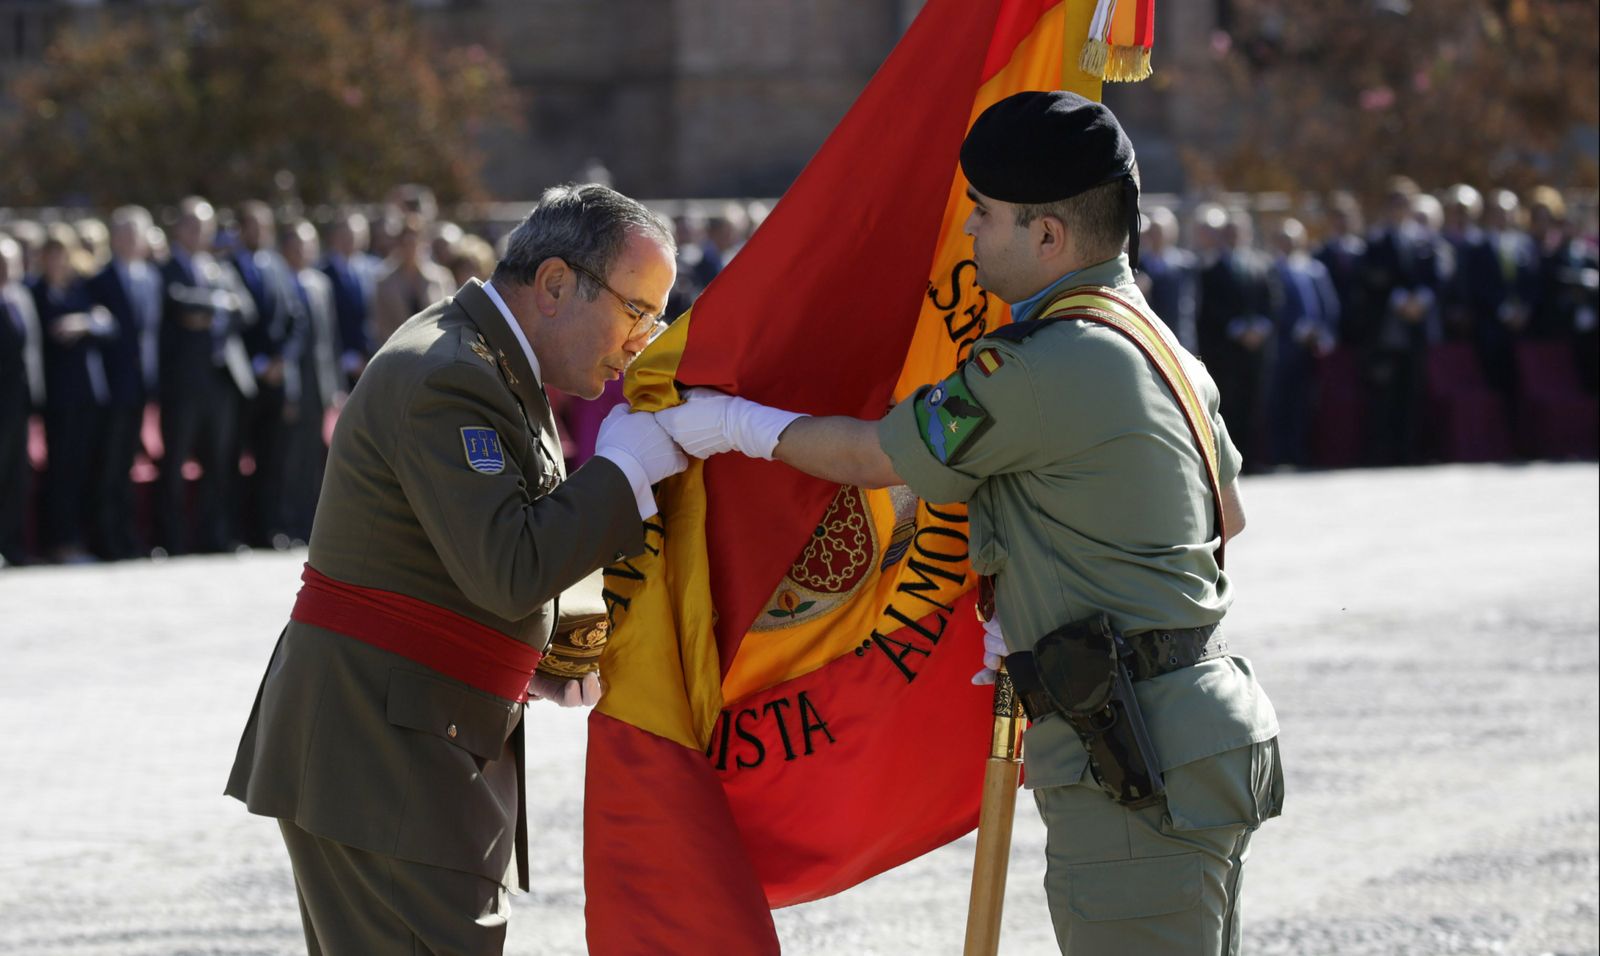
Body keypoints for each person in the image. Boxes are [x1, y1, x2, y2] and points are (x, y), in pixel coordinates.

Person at [657, 91, 1282, 956]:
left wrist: (736, 426)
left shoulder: (1045, 363)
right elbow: (1229, 517)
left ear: (1049, 238)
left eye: (984, 216)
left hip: (1133, 750)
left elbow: (876, 456)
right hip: (1190, 731)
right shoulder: (1158, 342)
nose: (968, 235)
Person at [225, 183, 688, 955]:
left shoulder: (488, 360)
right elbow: (507, 567)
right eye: (636, 310)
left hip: (403, 737)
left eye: (655, 318)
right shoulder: (450, 371)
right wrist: (625, 470)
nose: (643, 339)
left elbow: (444, 560)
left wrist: (531, 656)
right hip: (383, 752)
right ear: (554, 284)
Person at [157, 196, 257, 555]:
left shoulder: (221, 267)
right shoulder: (166, 266)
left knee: (220, 461)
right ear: (178, 228)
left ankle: (215, 535)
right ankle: (172, 538)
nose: (200, 232)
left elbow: (245, 308)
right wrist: (217, 303)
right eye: (193, 225)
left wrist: (212, 308)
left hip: (220, 380)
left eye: (206, 225)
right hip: (183, 382)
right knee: (176, 462)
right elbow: (177, 302)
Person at [31, 231, 117, 563]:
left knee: (84, 469)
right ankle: (60, 542)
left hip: (88, 395)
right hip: (57, 397)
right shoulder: (36, 292)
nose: (57, 262)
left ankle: (82, 538)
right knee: (61, 471)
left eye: (62, 255)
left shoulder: (83, 290)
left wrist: (85, 324)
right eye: (51, 255)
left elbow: (109, 326)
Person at [87, 205, 163, 559]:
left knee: (129, 466)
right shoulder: (98, 281)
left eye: (137, 234)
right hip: (111, 390)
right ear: (114, 238)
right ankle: (107, 540)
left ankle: (129, 537)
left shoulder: (151, 278)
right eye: (125, 233)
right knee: (109, 467)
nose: (132, 241)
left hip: (140, 387)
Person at [0, 237, 45, 568]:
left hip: (19, 406)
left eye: (10, 263)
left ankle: (13, 545)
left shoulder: (22, 297)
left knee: (17, 478)